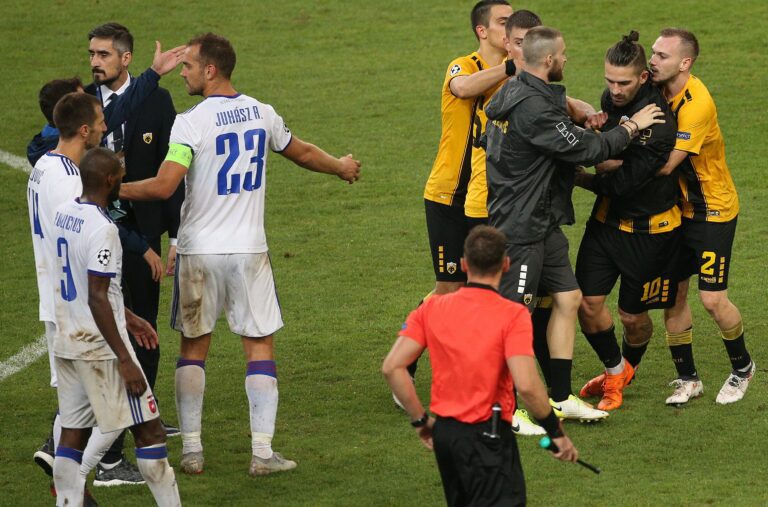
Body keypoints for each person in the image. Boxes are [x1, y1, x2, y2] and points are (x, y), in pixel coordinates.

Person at [119, 33, 361, 476]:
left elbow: (165, 185)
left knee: (193, 348)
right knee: (259, 346)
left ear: (210, 70)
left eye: (189, 65)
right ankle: (262, 453)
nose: (183, 72)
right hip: (249, 251)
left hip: (199, 252)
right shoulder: (262, 112)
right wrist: (340, 166)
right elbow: (302, 152)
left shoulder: (190, 122)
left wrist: (111, 189)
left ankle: (192, 452)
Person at [484, 26, 665, 421]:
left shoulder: (512, 92)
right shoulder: (534, 107)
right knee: (513, 317)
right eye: (563, 54)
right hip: (521, 225)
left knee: (568, 299)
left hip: (543, 222)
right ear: (549, 59)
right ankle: (504, 410)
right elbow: (588, 149)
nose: (566, 59)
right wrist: (631, 126)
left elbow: (511, 140)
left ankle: (561, 396)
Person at [382, 225, 578, 506]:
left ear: (464, 264)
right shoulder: (512, 315)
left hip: (446, 435)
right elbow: (527, 386)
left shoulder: (431, 308)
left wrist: (420, 420)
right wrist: (555, 432)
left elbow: (392, 367)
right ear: (506, 264)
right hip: (489, 436)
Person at [400, 0, 515, 413]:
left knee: (486, 288)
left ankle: (483, 378)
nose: (510, 29)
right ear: (482, 31)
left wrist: (583, 110)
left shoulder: (514, 75)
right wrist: (512, 67)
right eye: (503, 23)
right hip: (448, 196)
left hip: (488, 200)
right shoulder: (462, 66)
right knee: (448, 290)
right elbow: (464, 89)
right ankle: (405, 364)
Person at [51, 147, 180, 507]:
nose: (124, 179)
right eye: (120, 176)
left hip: (67, 341)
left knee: (72, 436)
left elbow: (88, 286)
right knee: (151, 431)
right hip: (102, 349)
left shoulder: (63, 214)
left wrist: (128, 315)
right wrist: (125, 359)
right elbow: (97, 297)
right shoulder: (104, 228)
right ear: (110, 181)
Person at [85, 22, 184, 486]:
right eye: (92, 54)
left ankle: (144, 415)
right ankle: (109, 453)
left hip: (145, 235)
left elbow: (173, 170)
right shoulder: (84, 105)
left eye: (103, 54)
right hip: (99, 238)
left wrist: (175, 233)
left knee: (144, 328)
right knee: (110, 334)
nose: (95, 62)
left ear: (125, 58)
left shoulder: (157, 102)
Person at [573, 32, 679, 411]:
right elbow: (612, 158)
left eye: (624, 83)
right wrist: (611, 154)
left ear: (643, 78)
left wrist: (584, 175)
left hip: (651, 235)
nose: (614, 91)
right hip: (606, 224)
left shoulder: (659, 124)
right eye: (610, 81)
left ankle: (625, 372)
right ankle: (615, 371)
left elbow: (621, 183)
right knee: (587, 303)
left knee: (632, 318)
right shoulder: (611, 100)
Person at [649, 28, 755, 405]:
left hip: (712, 210)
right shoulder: (656, 89)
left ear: (685, 63)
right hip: (677, 210)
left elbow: (666, 165)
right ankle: (688, 379)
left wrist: (614, 164)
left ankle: (743, 368)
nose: (652, 61)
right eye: (653, 52)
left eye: (661, 56)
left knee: (712, 299)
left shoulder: (697, 104)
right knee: (673, 294)